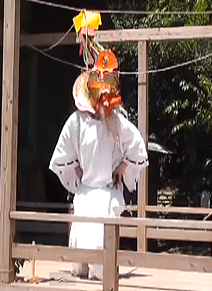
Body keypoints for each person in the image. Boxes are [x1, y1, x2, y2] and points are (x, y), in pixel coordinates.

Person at [49, 47, 148, 281]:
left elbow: (137, 147)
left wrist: (122, 168)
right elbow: (62, 154)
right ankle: (83, 273)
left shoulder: (117, 122)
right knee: (81, 242)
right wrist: (77, 170)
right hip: (86, 191)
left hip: (106, 192)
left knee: (99, 244)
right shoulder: (76, 122)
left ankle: (103, 277)